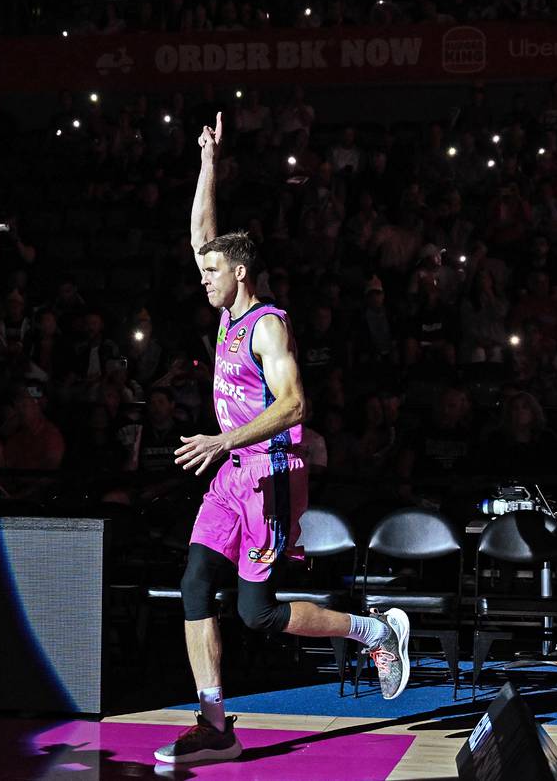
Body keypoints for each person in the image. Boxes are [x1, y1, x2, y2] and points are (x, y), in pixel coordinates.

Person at [157, 114, 410, 766]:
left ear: (240, 274)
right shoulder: (224, 308)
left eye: (212, 270)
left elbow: (296, 405)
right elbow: (200, 234)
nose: (202, 274)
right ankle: (215, 724)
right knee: (193, 582)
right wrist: (209, 161)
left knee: (257, 614)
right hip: (230, 471)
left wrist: (220, 440)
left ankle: (372, 630)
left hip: (270, 474)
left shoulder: (268, 326)